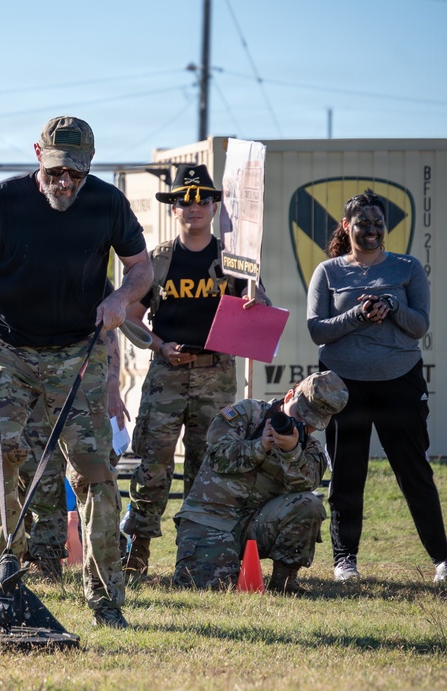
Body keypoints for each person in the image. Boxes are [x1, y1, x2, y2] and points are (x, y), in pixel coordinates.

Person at [0, 116, 153, 628]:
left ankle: (105, 599)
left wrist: (121, 298)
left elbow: (141, 267)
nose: (66, 183)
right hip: (6, 346)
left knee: (94, 469)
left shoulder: (107, 203)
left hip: (76, 351)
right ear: (38, 154)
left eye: (76, 175)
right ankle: (6, 574)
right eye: (57, 172)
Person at [122, 163, 268, 580]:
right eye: (184, 201)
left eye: (202, 199)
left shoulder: (235, 260)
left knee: (211, 468)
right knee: (153, 467)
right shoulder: (158, 260)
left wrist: (255, 297)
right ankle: (137, 555)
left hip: (216, 376)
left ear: (214, 206)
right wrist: (159, 345)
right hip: (166, 376)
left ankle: (201, 560)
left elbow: (260, 316)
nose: (194, 207)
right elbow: (129, 317)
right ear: (173, 209)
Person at [307, 189, 447, 584]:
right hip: (343, 386)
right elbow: (317, 330)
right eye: (362, 224)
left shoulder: (407, 267)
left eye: (378, 224)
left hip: (400, 381)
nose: (371, 230)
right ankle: (345, 561)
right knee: (347, 474)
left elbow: (420, 325)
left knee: (413, 470)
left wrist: (393, 306)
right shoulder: (329, 271)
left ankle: (442, 558)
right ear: (347, 227)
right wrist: (358, 313)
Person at [173, 371, 348, 594]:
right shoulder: (246, 414)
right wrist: (259, 446)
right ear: (289, 395)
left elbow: (306, 485)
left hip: (258, 524)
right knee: (208, 587)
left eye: (311, 423)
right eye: (299, 414)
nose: (300, 424)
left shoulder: (309, 450)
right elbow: (217, 456)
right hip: (211, 518)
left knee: (309, 503)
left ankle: (284, 581)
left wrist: (291, 453)